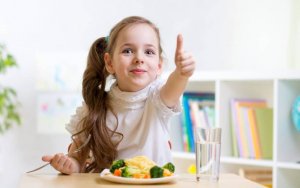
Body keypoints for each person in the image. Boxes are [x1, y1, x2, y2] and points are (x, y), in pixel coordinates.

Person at [42, 16, 195, 174]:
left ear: (159, 65)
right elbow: (77, 162)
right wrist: (68, 164)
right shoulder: (95, 106)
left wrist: (181, 74)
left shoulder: (158, 98)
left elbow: (173, 89)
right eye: (128, 51)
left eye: (149, 52)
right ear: (109, 62)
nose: (139, 58)